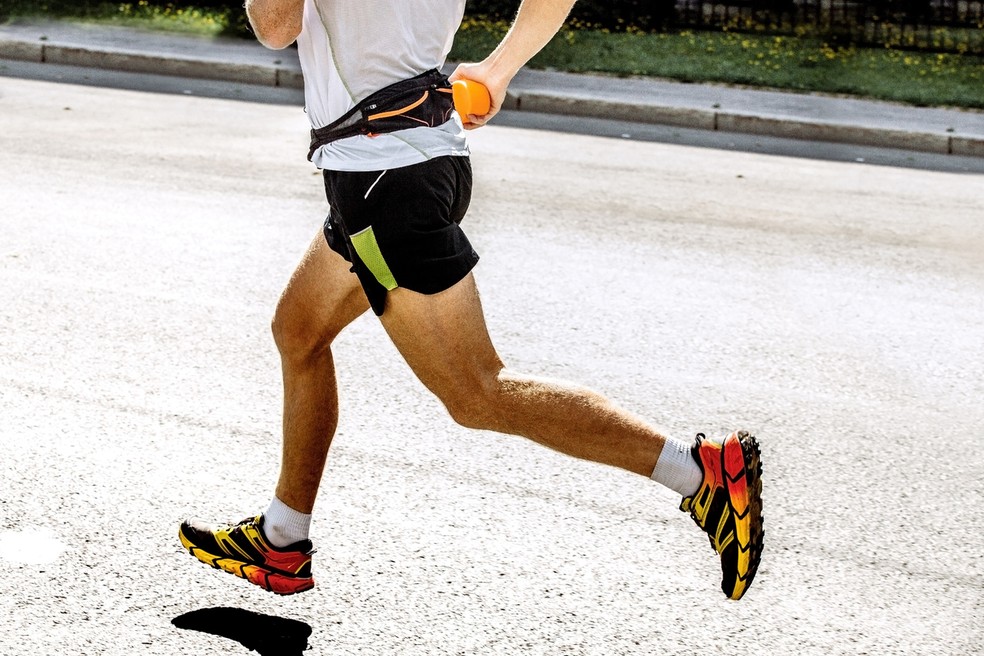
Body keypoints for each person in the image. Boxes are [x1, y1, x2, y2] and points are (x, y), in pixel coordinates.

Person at [179, 0, 764, 601]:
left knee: (477, 392)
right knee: (299, 330)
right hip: (424, 157)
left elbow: (276, 27)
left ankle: (699, 473)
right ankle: (282, 539)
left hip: (380, 179)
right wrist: (501, 66)